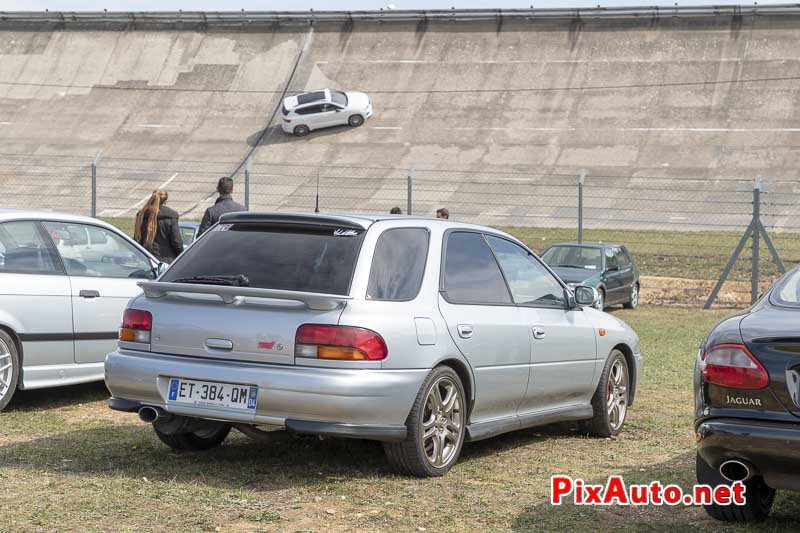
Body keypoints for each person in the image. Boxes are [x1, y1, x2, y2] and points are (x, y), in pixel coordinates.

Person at [134, 190, 183, 263]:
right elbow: (177, 243)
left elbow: (136, 239)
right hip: (166, 262)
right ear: (165, 201)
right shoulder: (171, 216)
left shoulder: (141, 215)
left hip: (145, 261)